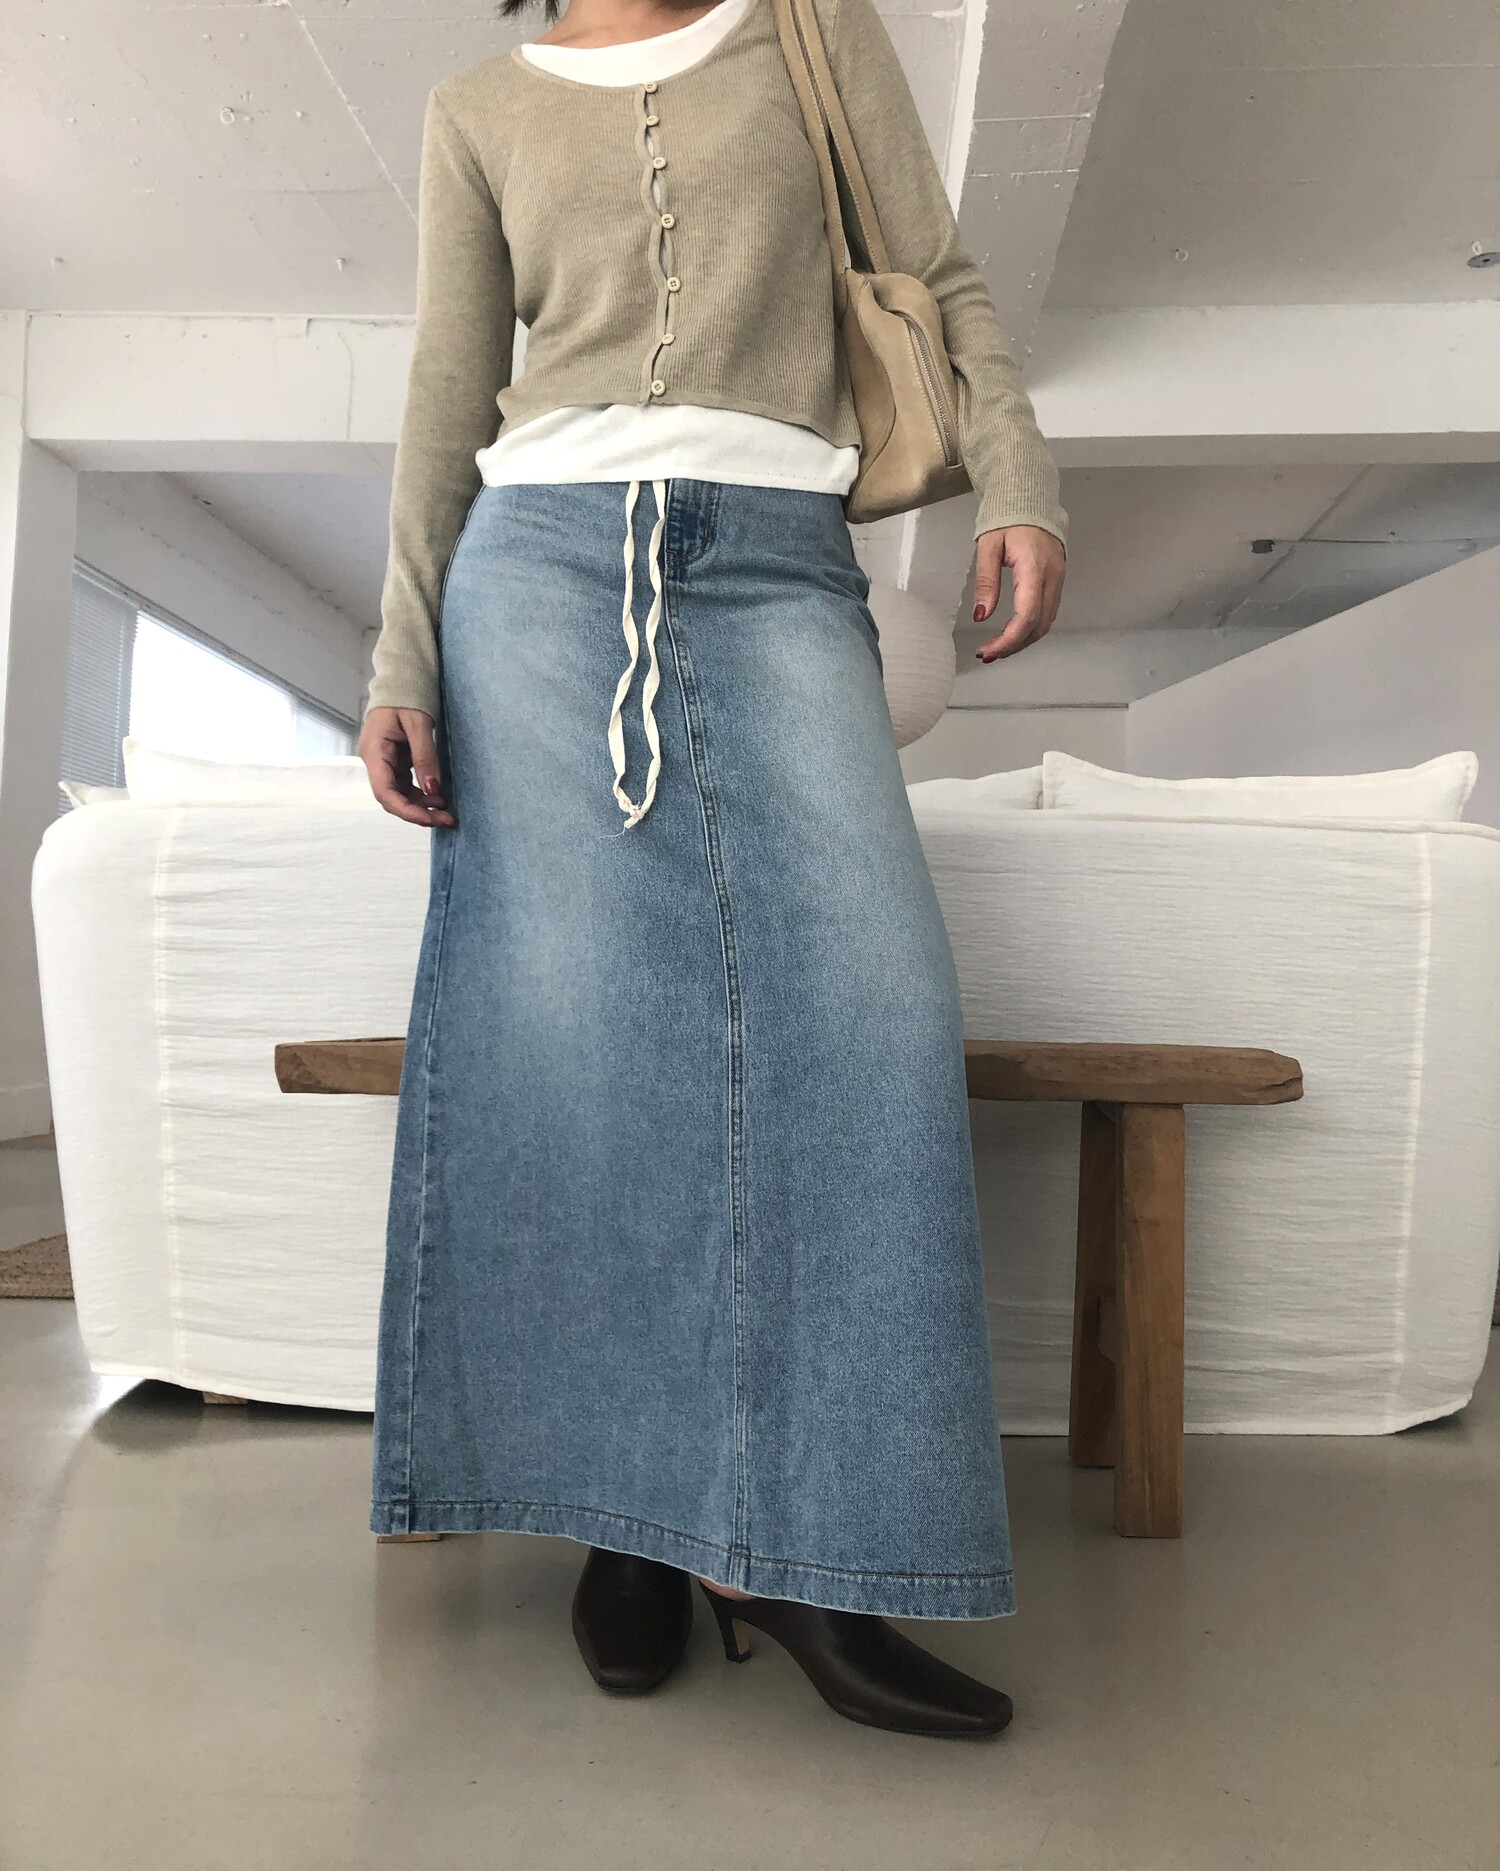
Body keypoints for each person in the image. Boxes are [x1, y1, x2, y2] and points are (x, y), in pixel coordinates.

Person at [357, 0, 1068, 1740]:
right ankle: (635, 1528)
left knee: (877, 1028)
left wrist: (1020, 479)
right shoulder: (476, 110)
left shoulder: (809, 30)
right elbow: (448, 390)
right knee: (594, 1060)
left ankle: (814, 1560)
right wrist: (399, 657)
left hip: (777, 565)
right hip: (535, 583)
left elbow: (939, 272)